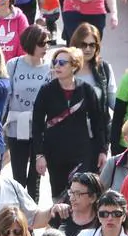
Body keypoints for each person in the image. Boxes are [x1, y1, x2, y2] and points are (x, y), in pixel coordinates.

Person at [31, 46, 109, 200]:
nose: (57, 66)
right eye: (55, 62)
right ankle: (61, 223)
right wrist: (39, 155)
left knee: (81, 191)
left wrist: (102, 150)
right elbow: (37, 124)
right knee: (59, 195)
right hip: (55, 152)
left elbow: (98, 122)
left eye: (62, 63)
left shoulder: (86, 90)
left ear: (74, 66)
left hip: (81, 152)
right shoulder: (46, 90)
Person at [2, 25, 53, 200]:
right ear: (31, 43)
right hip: (17, 127)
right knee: (18, 176)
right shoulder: (13, 65)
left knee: (35, 177)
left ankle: (31, 221)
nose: (46, 47)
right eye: (42, 43)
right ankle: (19, 217)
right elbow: (6, 95)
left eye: (48, 43)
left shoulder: (50, 68)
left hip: (40, 128)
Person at [71, 22, 115, 133]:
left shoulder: (104, 69)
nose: (88, 49)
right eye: (83, 45)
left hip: (99, 132)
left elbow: (113, 101)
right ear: (76, 44)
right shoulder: (64, 67)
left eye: (92, 45)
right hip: (70, 133)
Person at [51, 170, 102, 236]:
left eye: (78, 194)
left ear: (93, 197)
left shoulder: (101, 221)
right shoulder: (61, 213)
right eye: (71, 192)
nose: (72, 198)